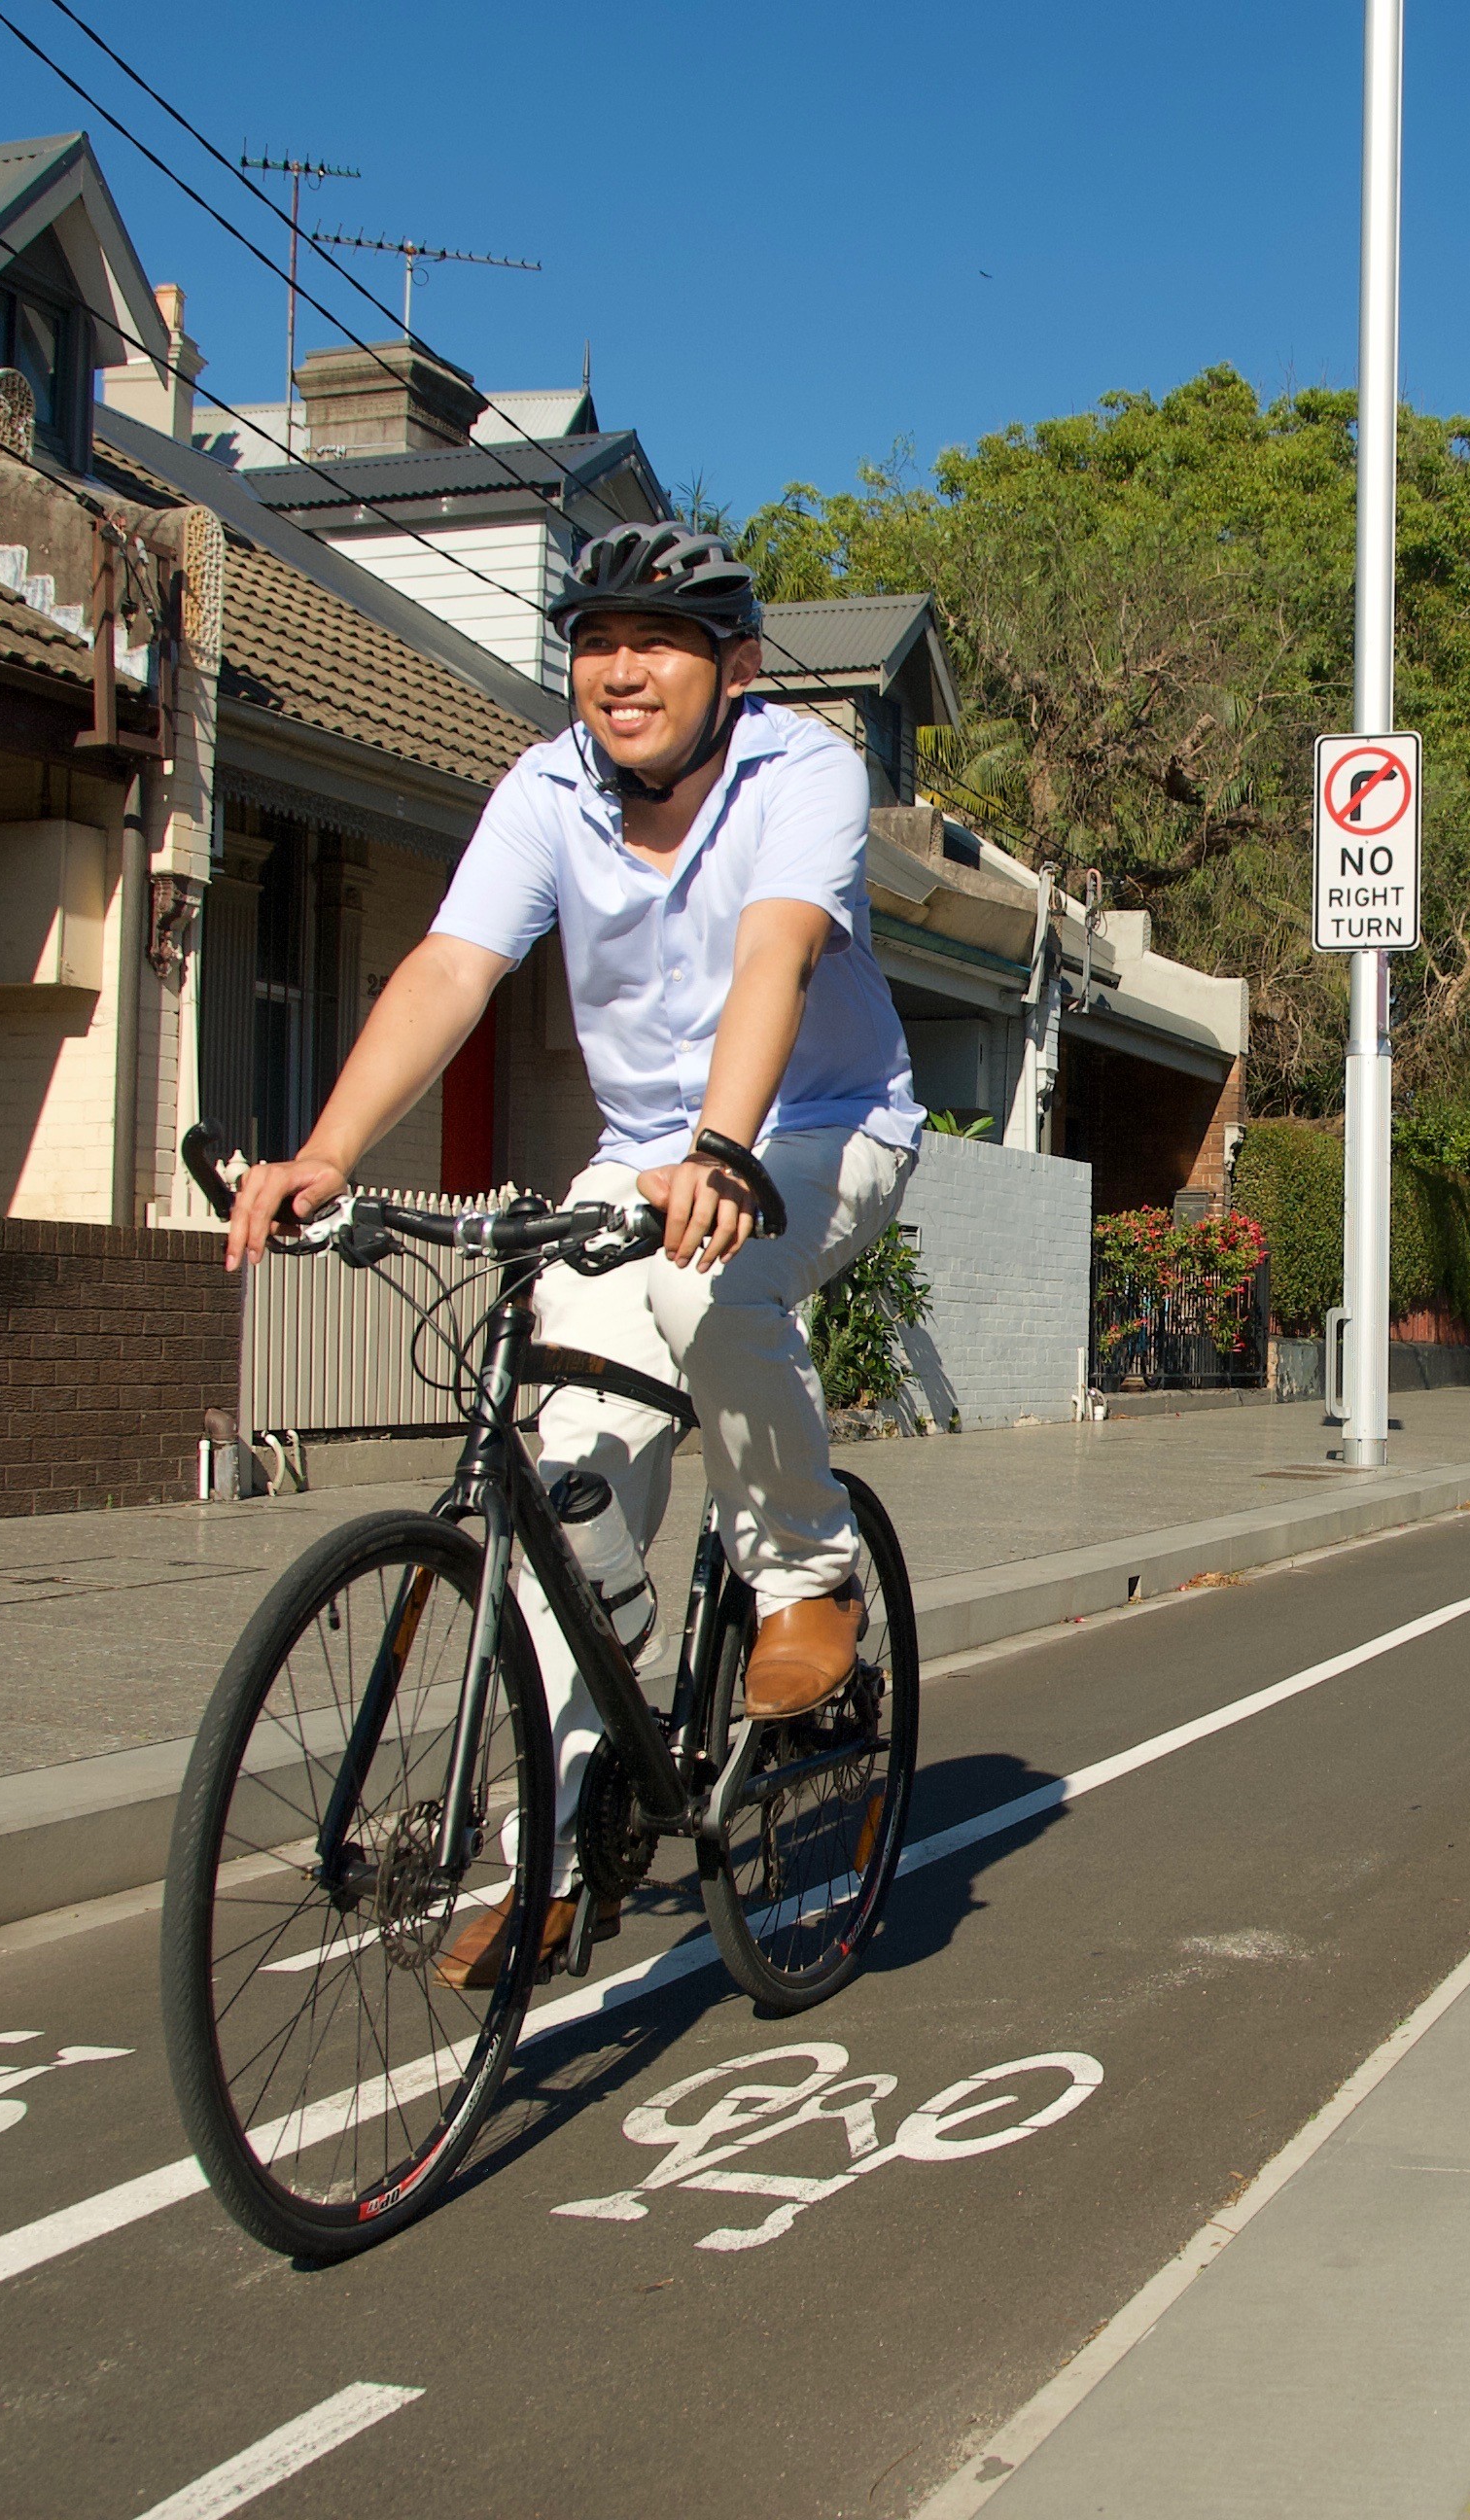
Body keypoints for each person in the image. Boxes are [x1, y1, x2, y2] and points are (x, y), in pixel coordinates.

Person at [221, 522, 922, 1987]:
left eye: (655, 642)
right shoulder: (545, 788)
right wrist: (330, 1154)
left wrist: (726, 1149)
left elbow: (776, 955)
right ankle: (549, 1848)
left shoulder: (804, 773)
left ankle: (806, 1575)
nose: (618, 670)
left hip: (820, 1124)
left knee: (704, 1279)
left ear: (732, 668)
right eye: (596, 641)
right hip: (644, 1149)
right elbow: (450, 970)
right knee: (571, 1467)